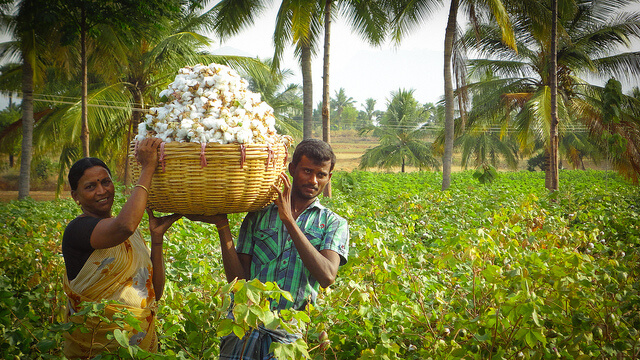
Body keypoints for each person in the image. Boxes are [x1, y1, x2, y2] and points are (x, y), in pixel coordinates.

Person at [189, 138, 350, 360]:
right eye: (306, 171)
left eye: (321, 174)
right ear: (292, 169)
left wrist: (289, 222)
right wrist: (222, 226)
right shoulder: (259, 213)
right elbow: (238, 280)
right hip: (243, 325)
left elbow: (327, 276)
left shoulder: (333, 223)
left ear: (329, 177)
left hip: (288, 334)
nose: (313, 180)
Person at [61, 138, 182, 358]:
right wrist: (148, 167)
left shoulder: (131, 234)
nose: (101, 190)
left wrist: (156, 239)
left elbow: (155, 291)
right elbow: (124, 225)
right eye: (90, 186)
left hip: (140, 347)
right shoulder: (77, 231)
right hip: (97, 349)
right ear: (76, 197)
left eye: (105, 182)